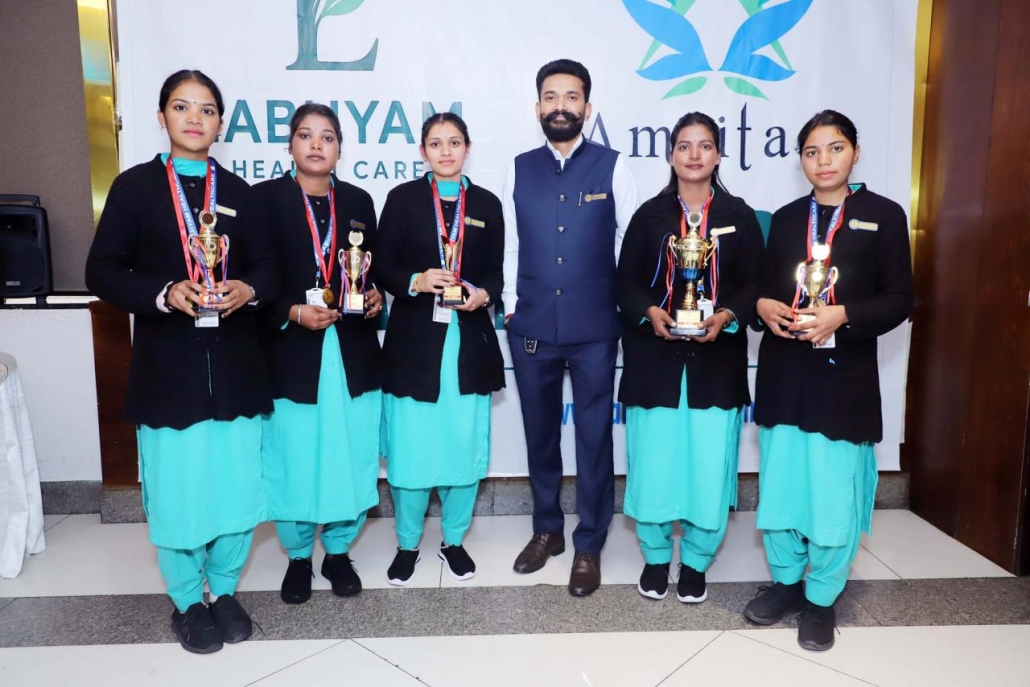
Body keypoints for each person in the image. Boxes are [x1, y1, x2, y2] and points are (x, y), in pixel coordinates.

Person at [85, 70, 278, 654]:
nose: (195, 118)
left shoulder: (242, 193)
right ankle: (188, 600)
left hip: (238, 370)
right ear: (162, 116)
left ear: (221, 123)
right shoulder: (135, 188)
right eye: (181, 106)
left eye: (207, 109)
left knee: (237, 488)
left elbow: (270, 270)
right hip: (168, 372)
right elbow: (101, 271)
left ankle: (225, 589)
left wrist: (249, 288)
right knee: (178, 490)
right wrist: (165, 291)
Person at [744, 110, 914, 651]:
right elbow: (759, 290)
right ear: (801, 160)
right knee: (783, 485)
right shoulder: (785, 219)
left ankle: (821, 598)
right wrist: (762, 307)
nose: (824, 160)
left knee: (833, 491)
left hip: (845, 379)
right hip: (785, 372)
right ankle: (786, 583)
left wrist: (844, 315)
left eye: (835, 148)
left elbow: (901, 300)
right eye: (812, 151)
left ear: (856, 153)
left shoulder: (884, 215)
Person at [503, 58, 639, 596]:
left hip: (595, 329)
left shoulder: (613, 166)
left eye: (571, 97)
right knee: (539, 434)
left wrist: (619, 307)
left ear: (587, 106)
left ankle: (589, 543)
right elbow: (511, 244)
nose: (561, 106)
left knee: (593, 437)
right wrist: (512, 308)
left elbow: (631, 242)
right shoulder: (518, 167)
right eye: (551, 97)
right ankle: (547, 531)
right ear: (537, 107)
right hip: (532, 325)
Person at [616, 112, 763, 604]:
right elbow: (625, 283)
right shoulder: (649, 216)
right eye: (684, 145)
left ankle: (697, 561)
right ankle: (656, 557)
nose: (694, 154)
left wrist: (726, 315)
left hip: (715, 365)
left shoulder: (740, 216)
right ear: (671, 155)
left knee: (708, 468)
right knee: (653, 466)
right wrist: (649, 312)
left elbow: (755, 284)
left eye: (704, 145)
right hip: (654, 362)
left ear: (718, 154)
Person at [253, 103, 384, 604]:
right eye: (305, 135)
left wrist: (374, 296)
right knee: (294, 457)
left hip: (351, 352)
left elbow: (367, 272)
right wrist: (290, 311)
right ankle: (297, 557)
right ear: (289, 145)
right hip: (291, 352)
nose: (315, 145)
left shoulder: (358, 201)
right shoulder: (265, 200)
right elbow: (251, 281)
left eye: (327, 137)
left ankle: (339, 551)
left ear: (339, 149)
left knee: (351, 453)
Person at [375, 113, 504, 585]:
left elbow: (495, 274)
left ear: (468, 147)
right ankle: (408, 544)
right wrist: (416, 279)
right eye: (435, 143)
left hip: (468, 346)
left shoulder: (486, 203)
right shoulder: (403, 199)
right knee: (411, 453)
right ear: (422, 151)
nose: (445, 151)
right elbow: (381, 266)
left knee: (462, 450)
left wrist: (483, 295)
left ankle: (453, 541)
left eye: (454, 142)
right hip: (414, 347)